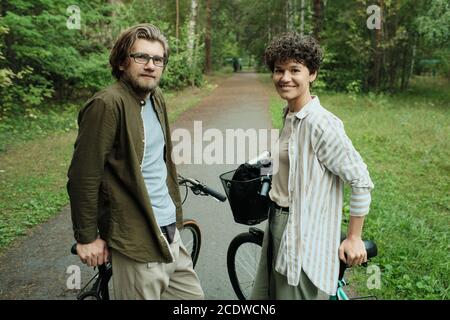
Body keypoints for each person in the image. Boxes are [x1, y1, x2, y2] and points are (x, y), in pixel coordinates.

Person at [67, 24, 204, 300]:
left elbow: (160, 160)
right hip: (135, 238)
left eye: (158, 59)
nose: (151, 65)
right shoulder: (106, 105)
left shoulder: (156, 98)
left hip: (169, 231)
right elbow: (84, 176)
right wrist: (87, 237)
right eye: (141, 57)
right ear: (121, 62)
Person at [251, 33, 374, 300]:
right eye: (278, 70)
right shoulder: (290, 114)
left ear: (312, 74)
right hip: (277, 223)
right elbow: (293, 161)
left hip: (303, 234)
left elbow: (361, 180)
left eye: (295, 70)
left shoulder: (320, 123)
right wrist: (260, 167)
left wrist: (354, 237)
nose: (285, 78)